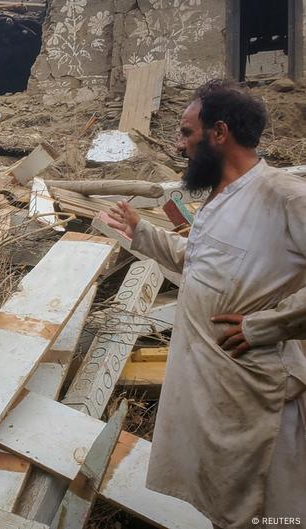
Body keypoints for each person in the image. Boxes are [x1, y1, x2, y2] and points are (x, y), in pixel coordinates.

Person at [107, 80, 305, 528]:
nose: (179, 145)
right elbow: (203, 261)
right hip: (214, 389)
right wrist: (143, 233)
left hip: (255, 390)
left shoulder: (283, 195)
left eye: (186, 132)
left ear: (219, 133)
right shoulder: (221, 196)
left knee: (268, 508)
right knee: (224, 502)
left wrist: (267, 326)